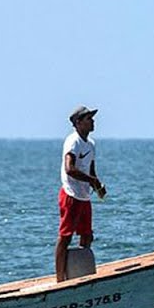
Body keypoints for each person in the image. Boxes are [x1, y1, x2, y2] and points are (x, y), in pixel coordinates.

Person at [54, 105, 106, 283]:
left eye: (92, 118)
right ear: (78, 123)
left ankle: (81, 274)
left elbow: (91, 169)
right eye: (88, 119)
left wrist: (97, 185)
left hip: (84, 196)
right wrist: (91, 180)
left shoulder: (91, 144)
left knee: (87, 235)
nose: (93, 121)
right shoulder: (73, 141)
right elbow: (69, 168)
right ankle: (60, 279)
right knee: (65, 237)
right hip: (71, 195)